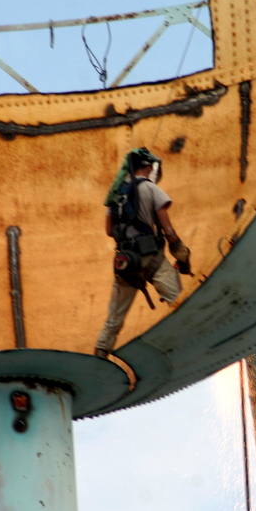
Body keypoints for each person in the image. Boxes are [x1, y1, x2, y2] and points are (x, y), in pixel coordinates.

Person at [95, 148, 190, 358]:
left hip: (126, 262)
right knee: (180, 305)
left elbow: (110, 231)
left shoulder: (116, 193)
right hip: (152, 258)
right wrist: (182, 255)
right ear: (149, 166)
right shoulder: (151, 189)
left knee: (113, 320)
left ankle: (100, 356)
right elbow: (169, 232)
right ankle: (188, 347)